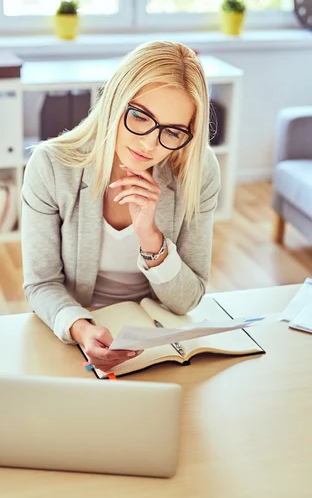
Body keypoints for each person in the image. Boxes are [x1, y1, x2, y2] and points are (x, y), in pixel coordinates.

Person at [21, 40, 220, 373]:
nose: (149, 143)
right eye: (141, 117)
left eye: (172, 131)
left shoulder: (198, 171)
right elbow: (41, 284)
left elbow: (187, 299)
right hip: (75, 325)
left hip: (158, 335)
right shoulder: (52, 165)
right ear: (114, 99)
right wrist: (81, 329)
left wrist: (151, 237)